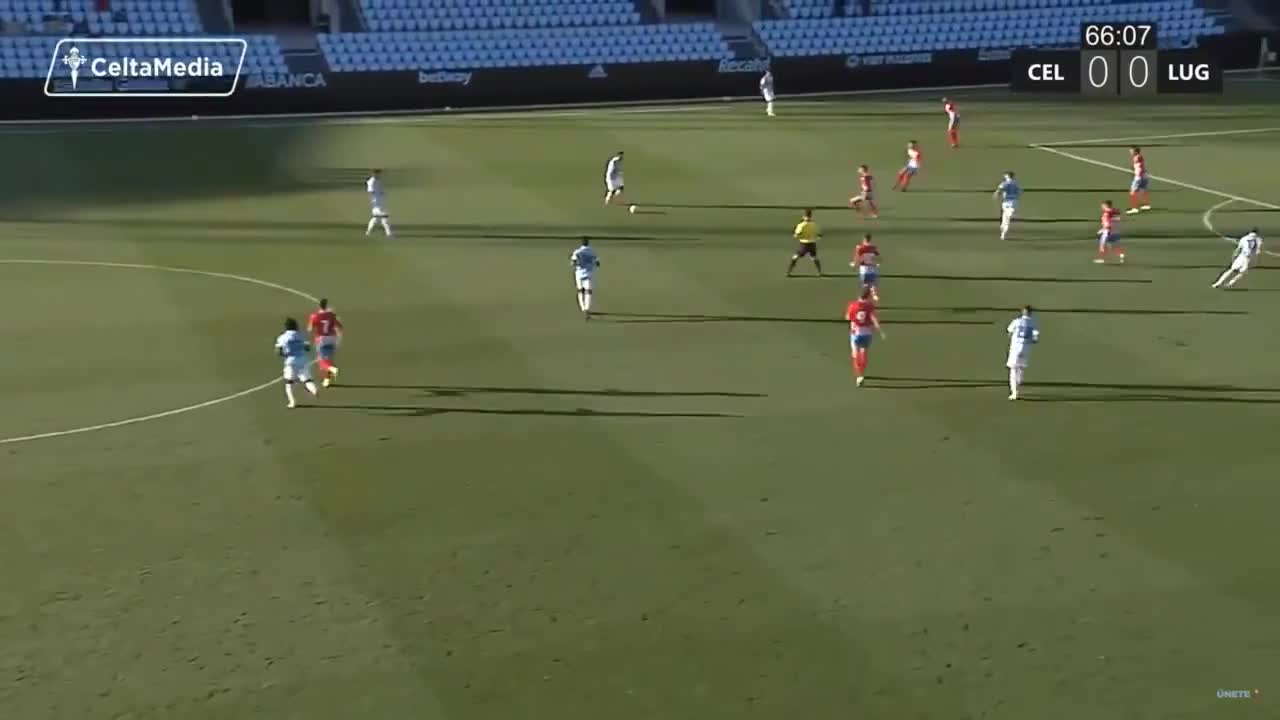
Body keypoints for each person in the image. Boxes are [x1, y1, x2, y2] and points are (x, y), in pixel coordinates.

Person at [275, 318, 320, 408]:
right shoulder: (301, 335)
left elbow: (278, 351)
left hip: (290, 361)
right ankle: (314, 390)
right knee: (307, 379)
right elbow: (307, 348)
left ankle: (292, 402)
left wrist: (284, 354)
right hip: (302, 360)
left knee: (289, 382)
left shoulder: (282, 337)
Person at [846, 288, 884, 386]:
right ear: (868, 296)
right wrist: (880, 331)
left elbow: (848, 317)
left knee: (855, 354)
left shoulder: (853, 305)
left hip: (856, 333)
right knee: (864, 352)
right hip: (867, 333)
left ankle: (859, 375)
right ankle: (862, 372)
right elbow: (874, 318)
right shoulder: (869, 306)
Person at [1006, 305, 1040, 401]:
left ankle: (1014, 392)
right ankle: (1019, 382)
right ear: (1031, 313)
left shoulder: (1016, 321)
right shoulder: (1033, 323)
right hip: (1025, 349)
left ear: (1022, 312)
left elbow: (1009, 331)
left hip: (1015, 348)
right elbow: (1035, 339)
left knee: (1013, 369)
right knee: (1021, 367)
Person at [307, 298, 344, 387]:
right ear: (327, 306)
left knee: (322, 362)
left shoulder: (315, 316)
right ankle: (327, 380)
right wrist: (339, 339)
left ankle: (333, 369)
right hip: (331, 339)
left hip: (321, 340)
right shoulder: (331, 315)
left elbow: (310, 329)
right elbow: (340, 327)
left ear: (319, 306)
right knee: (329, 360)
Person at [570, 237, 600, 319]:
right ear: (588, 243)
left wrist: (576, 263)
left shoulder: (577, 252)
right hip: (589, 273)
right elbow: (597, 263)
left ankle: (582, 307)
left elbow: (573, 263)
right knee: (588, 291)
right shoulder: (592, 252)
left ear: (582, 243)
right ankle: (587, 308)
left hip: (579, 274)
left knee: (580, 291)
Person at [787, 209, 822, 276]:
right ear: (811, 216)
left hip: (804, 244)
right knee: (814, 258)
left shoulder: (801, 225)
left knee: (795, 257)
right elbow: (818, 235)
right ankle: (819, 272)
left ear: (804, 216)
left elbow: (796, 235)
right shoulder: (814, 224)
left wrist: (796, 235)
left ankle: (789, 272)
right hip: (812, 244)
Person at [993, 171, 1020, 241]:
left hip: (1008, 202)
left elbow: (1000, 189)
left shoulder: (1006, 183)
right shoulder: (1015, 183)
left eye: (1005, 175)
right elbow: (1019, 192)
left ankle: (1003, 231)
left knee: (1006, 218)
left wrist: (996, 193)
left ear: (1007, 176)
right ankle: (1003, 233)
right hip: (1012, 201)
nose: (1004, 176)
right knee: (1005, 218)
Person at [365, 169, 392, 237]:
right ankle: (389, 234)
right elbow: (370, 191)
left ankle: (368, 232)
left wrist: (382, 194)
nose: (380, 175)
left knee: (375, 218)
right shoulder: (372, 181)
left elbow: (380, 190)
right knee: (384, 217)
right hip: (377, 204)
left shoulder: (378, 180)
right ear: (375, 174)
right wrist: (374, 200)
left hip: (381, 202)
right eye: (379, 173)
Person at [1127, 146, 1151, 214]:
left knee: (1132, 192)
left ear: (1136, 151)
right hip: (1144, 175)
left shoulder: (1137, 157)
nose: (1130, 152)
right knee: (1142, 190)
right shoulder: (1139, 156)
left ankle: (1134, 208)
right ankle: (1147, 205)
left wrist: (1137, 174)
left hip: (1139, 177)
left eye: (1131, 151)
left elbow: (1138, 163)